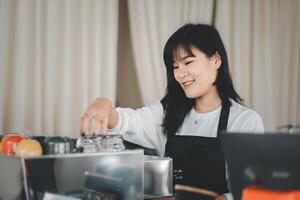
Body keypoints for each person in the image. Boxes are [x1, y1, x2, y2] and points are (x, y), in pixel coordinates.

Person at [80, 24, 264, 200]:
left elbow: (250, 190)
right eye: (175, 67)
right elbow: (128, 121)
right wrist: (105, 105)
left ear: (216, 60)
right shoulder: (168, 112)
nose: (180, 74)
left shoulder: (245, 121)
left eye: (188, 62)